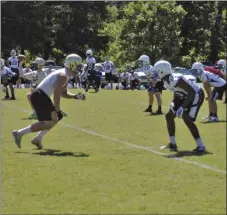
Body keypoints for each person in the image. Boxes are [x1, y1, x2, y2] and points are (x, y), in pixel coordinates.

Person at [12, 54, 86, 149]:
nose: (80, 68)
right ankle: (19, 133)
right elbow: (56, 94)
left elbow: (63, 93)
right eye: (78, 65)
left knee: (56, 118)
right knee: (47, 123)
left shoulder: (64, 74)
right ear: (72, 65)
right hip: (39, 96)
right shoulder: (63, 75)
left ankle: (37, 139)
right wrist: (57, 109)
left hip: (41, 96)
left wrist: (75, 96)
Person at [153, 60, 206, 153]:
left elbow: (192, 92)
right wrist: (174, 103)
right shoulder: (166, 80)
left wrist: (182, 107)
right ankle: (173, 144)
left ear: (162, 71)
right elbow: (176, 91)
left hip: (196, 94)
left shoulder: (176, 79)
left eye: (157, 71)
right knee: (169, 115)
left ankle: (201, 146)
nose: (155, 74)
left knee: (187, 118)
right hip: (183, 95)